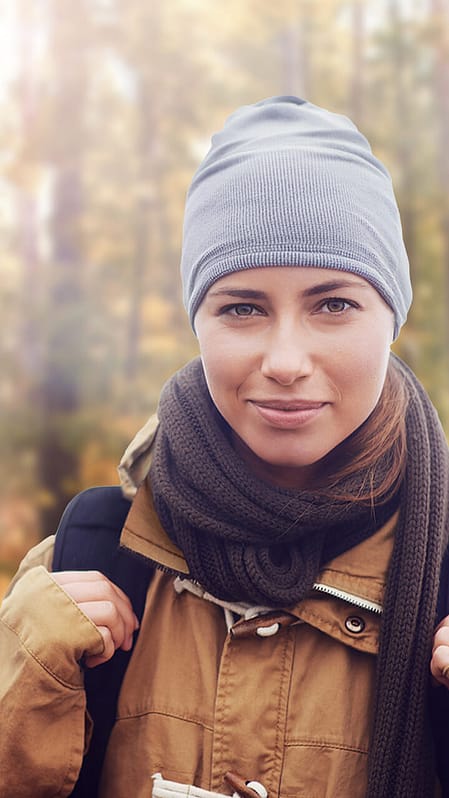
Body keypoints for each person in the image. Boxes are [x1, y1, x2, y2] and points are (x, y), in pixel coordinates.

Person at [1, 96, 448, 798]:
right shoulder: (90, 551)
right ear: (198, 322)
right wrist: (26, 669)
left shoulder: (443, 570)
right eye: (242, 307)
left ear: (391, 317)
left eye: (333, 305)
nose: (285, 360)